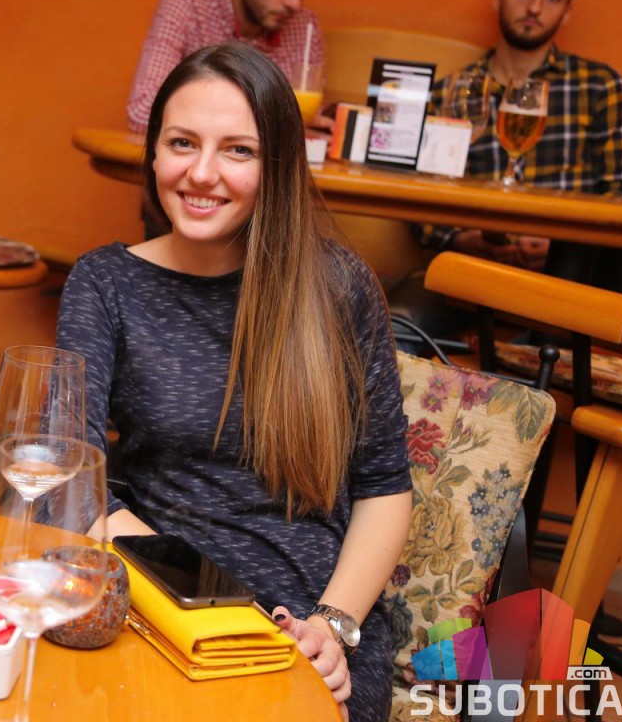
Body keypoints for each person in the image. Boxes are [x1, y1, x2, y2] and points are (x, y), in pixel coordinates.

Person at [59, 43, 412, 721]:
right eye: (181, 143)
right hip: (158, 594)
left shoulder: (338, 286)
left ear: (277, 166)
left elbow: (383, 486)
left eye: (238, 151)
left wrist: (334, 625)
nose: (201, 173)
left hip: (311, 616)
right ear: (153, 153)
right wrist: (210, 608)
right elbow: (71, 476)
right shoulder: (106, 284)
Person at [416, 0, 622, 290]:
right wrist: (458, 238)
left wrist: (562, 243)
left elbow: (621, 196)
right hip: (473, 275)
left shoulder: (600, 87)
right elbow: (422, 193)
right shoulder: (452, 91)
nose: (534, 7)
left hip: (572, 280)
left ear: (567, 12)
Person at [126, 0, 328, 134]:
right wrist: (268, 123)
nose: (295, 3)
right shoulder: (188, 6)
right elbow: (143, 111)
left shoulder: (305, 26)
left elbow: (305, 124)